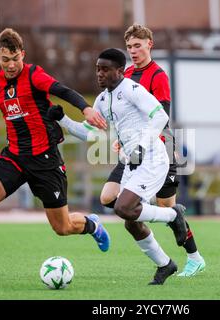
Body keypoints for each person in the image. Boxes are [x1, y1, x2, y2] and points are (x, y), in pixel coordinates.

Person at [0, 28, 110, 288]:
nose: (11, 65)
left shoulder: (33, 75)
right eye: (5, 59)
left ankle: (91, 225)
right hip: (15, 157)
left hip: (45, 160)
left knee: (62, 227)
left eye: (15, 58)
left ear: (23, 55)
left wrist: (85, 108)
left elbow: (63, 91)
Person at [48, 48, 188, 285]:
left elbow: (160, 116)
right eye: (97, 69)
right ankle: (165, 264)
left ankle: (173, 215)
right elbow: (88, 132)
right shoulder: (103, 99)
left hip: (152, 159)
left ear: (120, 71)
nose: (99, 74)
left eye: (105, 69)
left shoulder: (133, 90)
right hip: (133, 163)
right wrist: (63, 119)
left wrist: (142, 145)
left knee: (123, 207)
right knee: (131, 223)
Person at [103, 24, 205, 277]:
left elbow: (161, 116)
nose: (133, 51)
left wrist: (138, 144)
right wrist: (121, 139)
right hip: (133, 150)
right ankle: (151, 234)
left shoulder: (158, 76)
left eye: (138, 45)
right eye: (129, 47)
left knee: (167, 207)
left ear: (150, 44)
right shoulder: (124, 75)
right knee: (108, 197)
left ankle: (194, 257)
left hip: (160, 148)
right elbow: (122, 114)